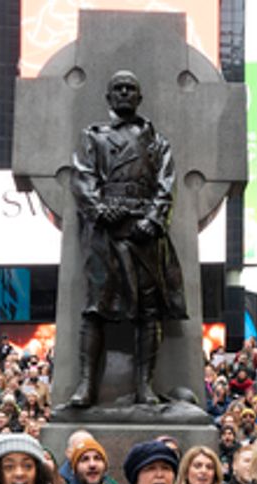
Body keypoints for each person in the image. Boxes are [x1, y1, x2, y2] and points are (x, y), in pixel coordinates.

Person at [68, 70, 185, 406]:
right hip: (105, 233)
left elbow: (167, 185)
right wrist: (99, 209)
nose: (123, 93)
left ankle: (144, 386)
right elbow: (82, 177)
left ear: (139, 97)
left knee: (149, 311)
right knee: (96, 308)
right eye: (117, 88)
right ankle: (86, 386)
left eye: (130, 89)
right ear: (108, 97)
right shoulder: (93, 137)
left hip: (143, 234)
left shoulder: (157, 142)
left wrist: (153, 219)